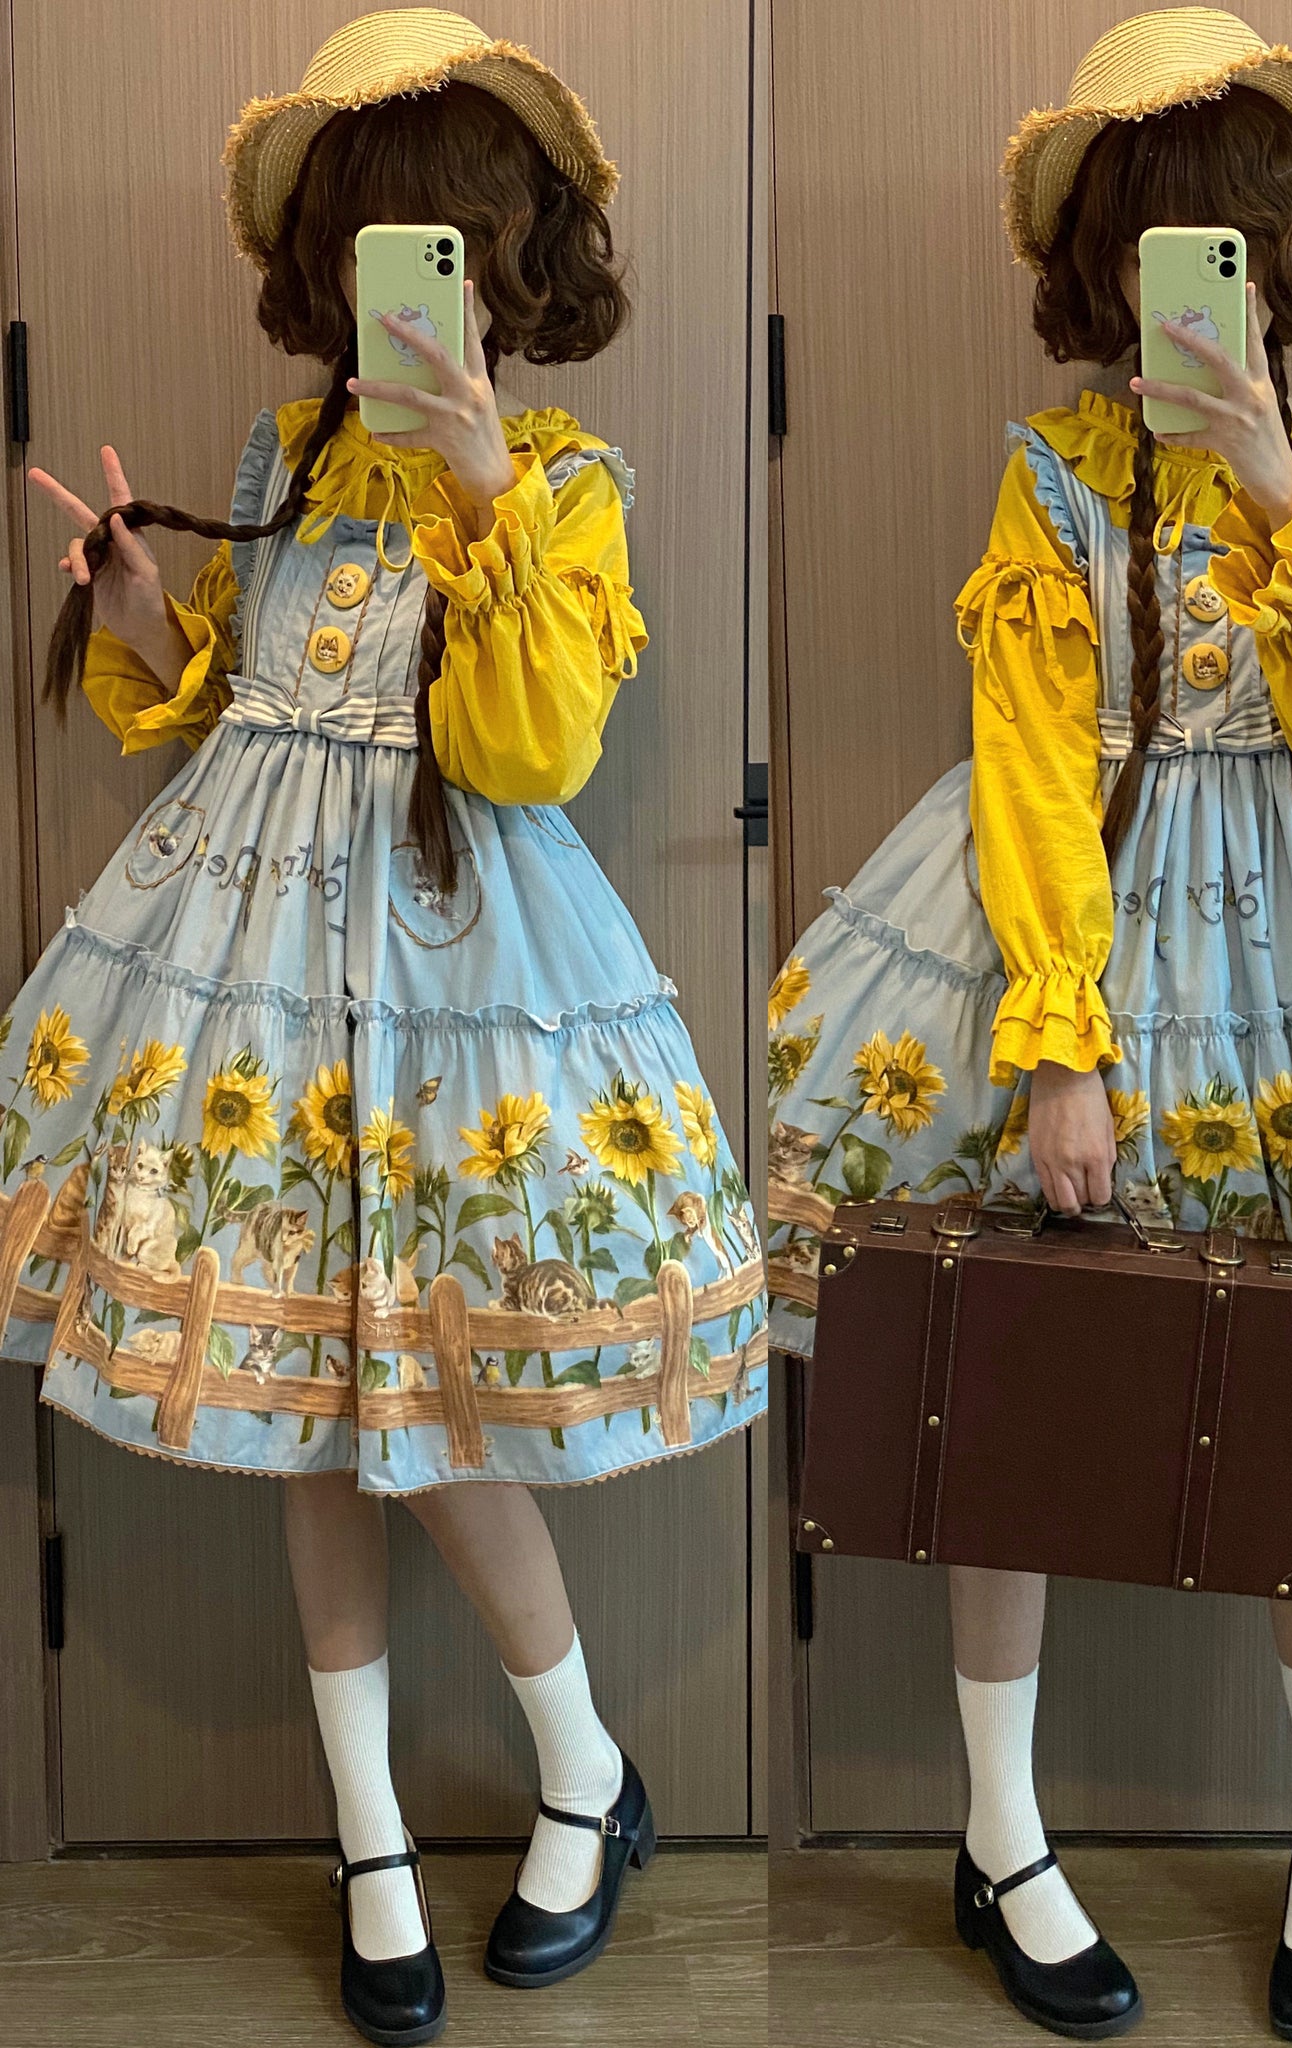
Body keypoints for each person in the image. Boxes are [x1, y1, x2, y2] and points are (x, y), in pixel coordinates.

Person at [0, 13, 764, 2044]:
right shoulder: (283, 465)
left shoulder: (567, 490)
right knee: (302, 1409)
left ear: (509, 265)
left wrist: (488, 479)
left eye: (435, 247)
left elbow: (529, 750)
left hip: (456, 997)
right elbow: (234, 718)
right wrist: (145, 618)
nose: (394, 291)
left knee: (424, 1409)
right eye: (362, 249)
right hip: (252, 993)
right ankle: (371, 1835)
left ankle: (583, 1769)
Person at [767, 11, 1292, 2039]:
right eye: (1162, 242)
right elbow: (1027, 756)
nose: (1198, 280)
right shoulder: (1055, 478)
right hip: (1067, 949)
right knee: (1005, 1371)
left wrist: (1274, 485)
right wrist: (1059, 1042)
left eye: (1234, 241)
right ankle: (1001, 1835)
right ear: (1106, 265)